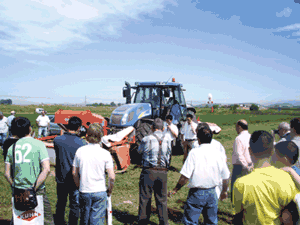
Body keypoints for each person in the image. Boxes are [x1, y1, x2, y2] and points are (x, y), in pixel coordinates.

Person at [233, 131, 300, 225]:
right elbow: (290, 215)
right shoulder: (287, 178)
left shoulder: (240, 183)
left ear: (249, 150)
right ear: (272, 151)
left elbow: (238, 214)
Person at [169, 123, 230, 225]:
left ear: (198, 138)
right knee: (211, 221)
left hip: (197, 193)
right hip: (212, 192)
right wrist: (224, 191)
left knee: (191, 221)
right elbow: (226, 176)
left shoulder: (194, 153)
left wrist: (176, 189)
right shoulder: (218, 154)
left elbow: (185, 176)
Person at [4, 117, 54, 225]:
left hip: (18, 190)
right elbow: (46, 169)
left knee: (19, 218)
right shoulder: (39, 144)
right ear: (30, 129)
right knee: (46, 219)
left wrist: (14, 185)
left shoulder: (12, 147)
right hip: (37, 189)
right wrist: (33, 187)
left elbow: (7, 174)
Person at [73, 123, 115, 225]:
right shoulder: (105, 153)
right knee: (97, 220)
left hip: (84, 190)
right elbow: (112, 176)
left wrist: (79, 186)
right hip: (100, 190)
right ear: (101, 136)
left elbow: (74, 173)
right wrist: (109, 189)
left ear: (87, 135)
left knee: (84, 219)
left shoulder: (80, 151)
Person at [137, 118, 173, 225]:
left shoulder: (146, 139)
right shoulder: (168, 140)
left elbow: (139, 151)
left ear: (152, 128)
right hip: (163, 172)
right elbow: (169, 155)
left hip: (148, 171)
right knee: (162, 199)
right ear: (163, 128)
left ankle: (143, 222)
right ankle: (163, 222)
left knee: (145, 198)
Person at [53, 116, 87, 225]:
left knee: (61, 202)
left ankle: (59, 222)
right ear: (79, 128)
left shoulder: (57, 140)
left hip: (61, 177)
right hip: (75, 178)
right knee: (75, 204)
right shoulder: (82, 143)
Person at [230, 119, 252, 201]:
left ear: (239, 127)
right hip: (250, 164)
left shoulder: (238, 138)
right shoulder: (251, 136)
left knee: (235, 188)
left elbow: (239, 154)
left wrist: (245, 166)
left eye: (236, 127)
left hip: (240, 166)